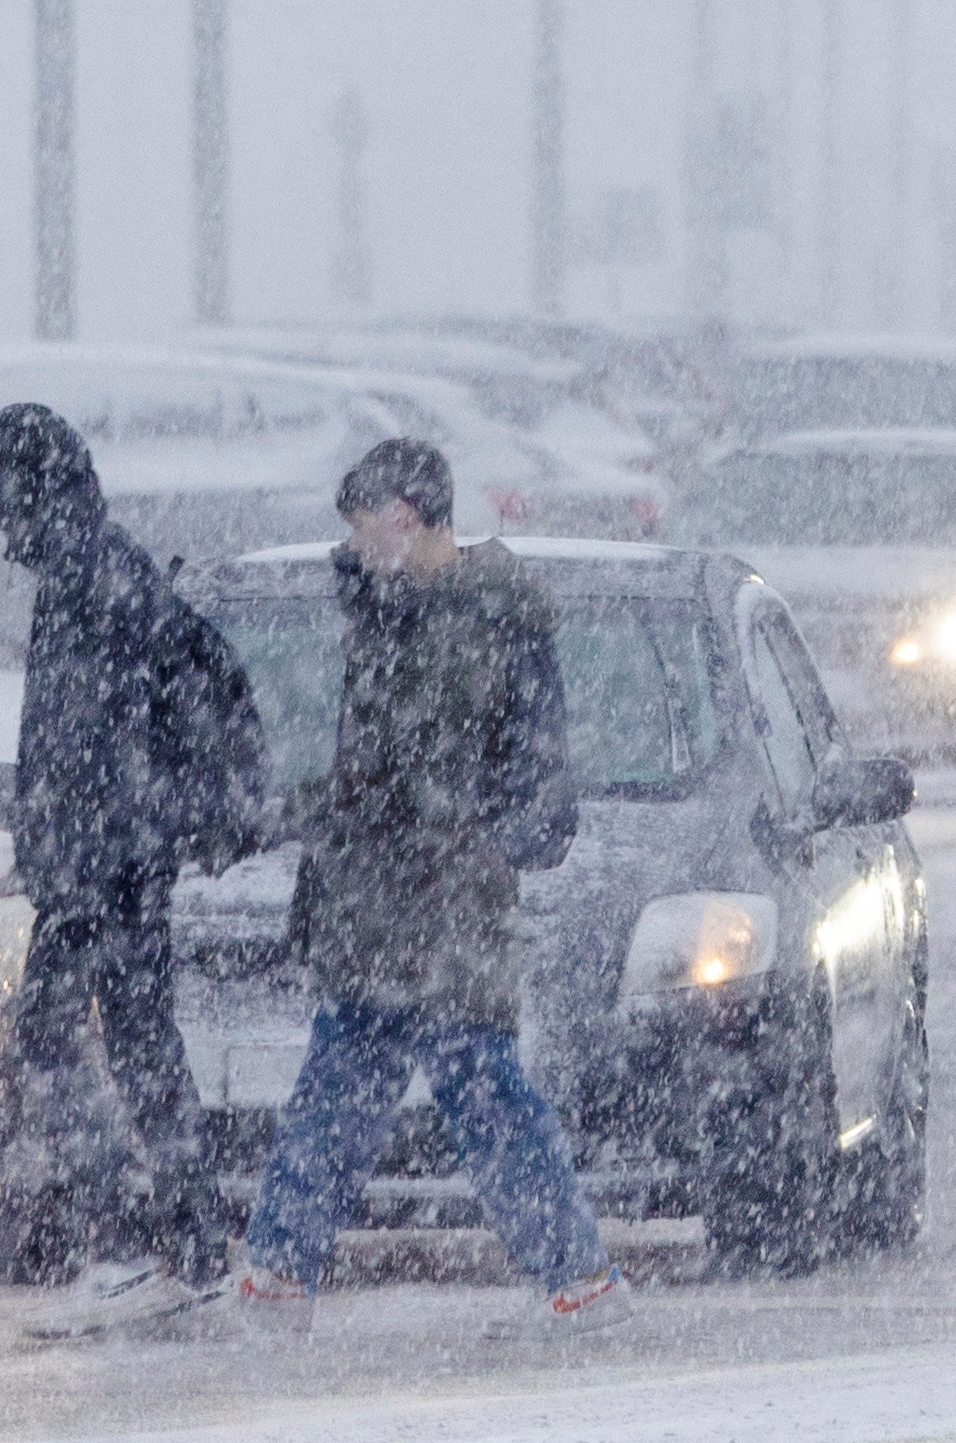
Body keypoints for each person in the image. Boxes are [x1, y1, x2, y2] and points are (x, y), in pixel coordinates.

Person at [237, 436, 619, 1321]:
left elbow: (529, 765)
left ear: (404, 519)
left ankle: (575, 1274)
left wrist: (495, 838)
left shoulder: (495, 619)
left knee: (476, 1087)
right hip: (375, 902)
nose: (356, 544)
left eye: (364, 526)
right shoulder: (384, 608)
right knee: (347, 1085)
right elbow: (367, 765)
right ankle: (280, 1268)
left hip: (449, 904)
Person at [0, 403, 258, 1313]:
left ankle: (124, 1239)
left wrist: (72, 856)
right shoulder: (96, 566)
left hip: (105, 864)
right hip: (113, 858)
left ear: (26, 487)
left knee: (53, 1041)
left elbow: (91, 746)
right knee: (138, 1047)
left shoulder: (91, 581)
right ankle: (194, 1248)